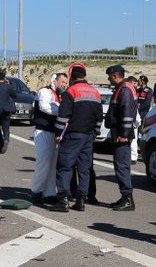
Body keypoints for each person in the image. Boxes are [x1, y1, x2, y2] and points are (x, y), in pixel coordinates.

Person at [51, 63, 103, 212]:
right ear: (84, 76)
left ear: (72, 77)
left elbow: (63, 117)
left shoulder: (71, 91)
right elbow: (100, 117)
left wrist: (57, 134)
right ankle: (81, 201)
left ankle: (63, 200)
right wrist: (95, 134)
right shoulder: (95, 93)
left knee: (64, 167)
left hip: (73, 136)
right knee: (84, 169)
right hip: (88, 137)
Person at [105, 64, 138, 211]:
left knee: (122, 166)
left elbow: (126, 113)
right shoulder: (123, 88)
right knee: (121, 165)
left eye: (109, 77)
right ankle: (124, 197)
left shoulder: (124, 90)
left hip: (121, 135)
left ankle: (127, 198)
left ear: (115, 76)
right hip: (119, 133)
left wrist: (123, 134)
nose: (108, 79)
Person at [31, 73, 68, 205]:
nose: (64, 84)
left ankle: (49, 192)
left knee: (53, 166)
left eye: (65, 82)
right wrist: (63, 110)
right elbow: (45, 107)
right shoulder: (45, 92)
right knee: (44, 162)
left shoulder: (60, 96)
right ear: (54, 81)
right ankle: (36, 191)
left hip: (55, 133)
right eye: (62, 82)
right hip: (43, 131)